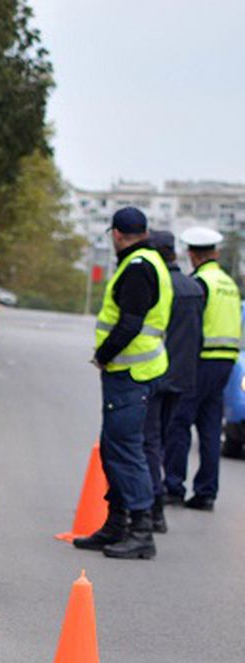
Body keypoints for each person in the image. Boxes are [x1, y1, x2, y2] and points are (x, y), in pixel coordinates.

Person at [73, 207, 170, 560]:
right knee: (114, 447)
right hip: (134, 374)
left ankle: (141, 529)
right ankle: (116, 523)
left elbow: (130, 323)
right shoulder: (150, 261)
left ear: (116, 234)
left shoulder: (138, 267)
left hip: (132, 374)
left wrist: (103, 354)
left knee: (126, 450)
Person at [163, 226, 241, 511]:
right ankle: (206, 493)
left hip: (201, 361)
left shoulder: (200, 283)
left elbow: (192, 328)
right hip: (225, 363)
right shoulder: (229, 283)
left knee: (179, 423)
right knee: (209, 428)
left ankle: (173, 486)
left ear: (192, 255)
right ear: (216, 253)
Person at [140, 230, 204, 533]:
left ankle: (154, 509)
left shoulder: (158, 284)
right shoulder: (193, 287)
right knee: (166, 439)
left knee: (149, 442)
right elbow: (196, 339)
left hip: (156, 374)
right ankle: (165, 491)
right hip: (183, 379)